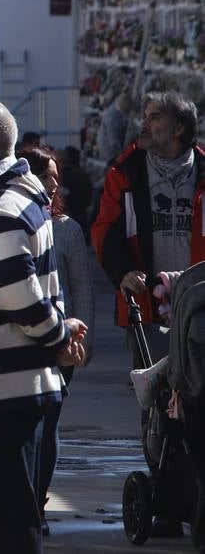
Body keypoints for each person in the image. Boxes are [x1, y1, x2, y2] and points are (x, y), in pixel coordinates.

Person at [0, 97, 87, 554]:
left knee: (3, 522)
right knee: (12, 515)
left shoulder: (1, 208)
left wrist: (58, 333)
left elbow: (18, 297)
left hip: (7, 391)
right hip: (21, 385)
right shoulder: (23, 190)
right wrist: (59, 331)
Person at [93, 92, 205, 363]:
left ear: (179, 127)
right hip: (147, 306)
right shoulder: (124, 175)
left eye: (154, 117)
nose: (143, 124)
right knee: (154, 395)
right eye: (144, 116)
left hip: (200, 304)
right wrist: (123, 272)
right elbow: (105, 230)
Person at [18, 145, 96, 536]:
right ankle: (22, 500)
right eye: (46, 175)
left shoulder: (67, 229)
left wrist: (85, 344)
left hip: (64, 341)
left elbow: (83, 287)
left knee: (49, 427)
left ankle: (39, 501)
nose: (54, 184)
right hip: (22, 345)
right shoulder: (14, 220)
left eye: (55, 176)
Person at [58, 146, 93, 235]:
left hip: (71, 218)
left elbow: (61, 197)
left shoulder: (66, 174)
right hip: (83, 217)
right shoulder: (83, 173)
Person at [96, 91, 134, 162]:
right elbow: (114, 140)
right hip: (110, 153)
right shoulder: (112, 117)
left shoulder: (115, 109)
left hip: (110, 148)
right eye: (128, 110)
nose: (129, 113)